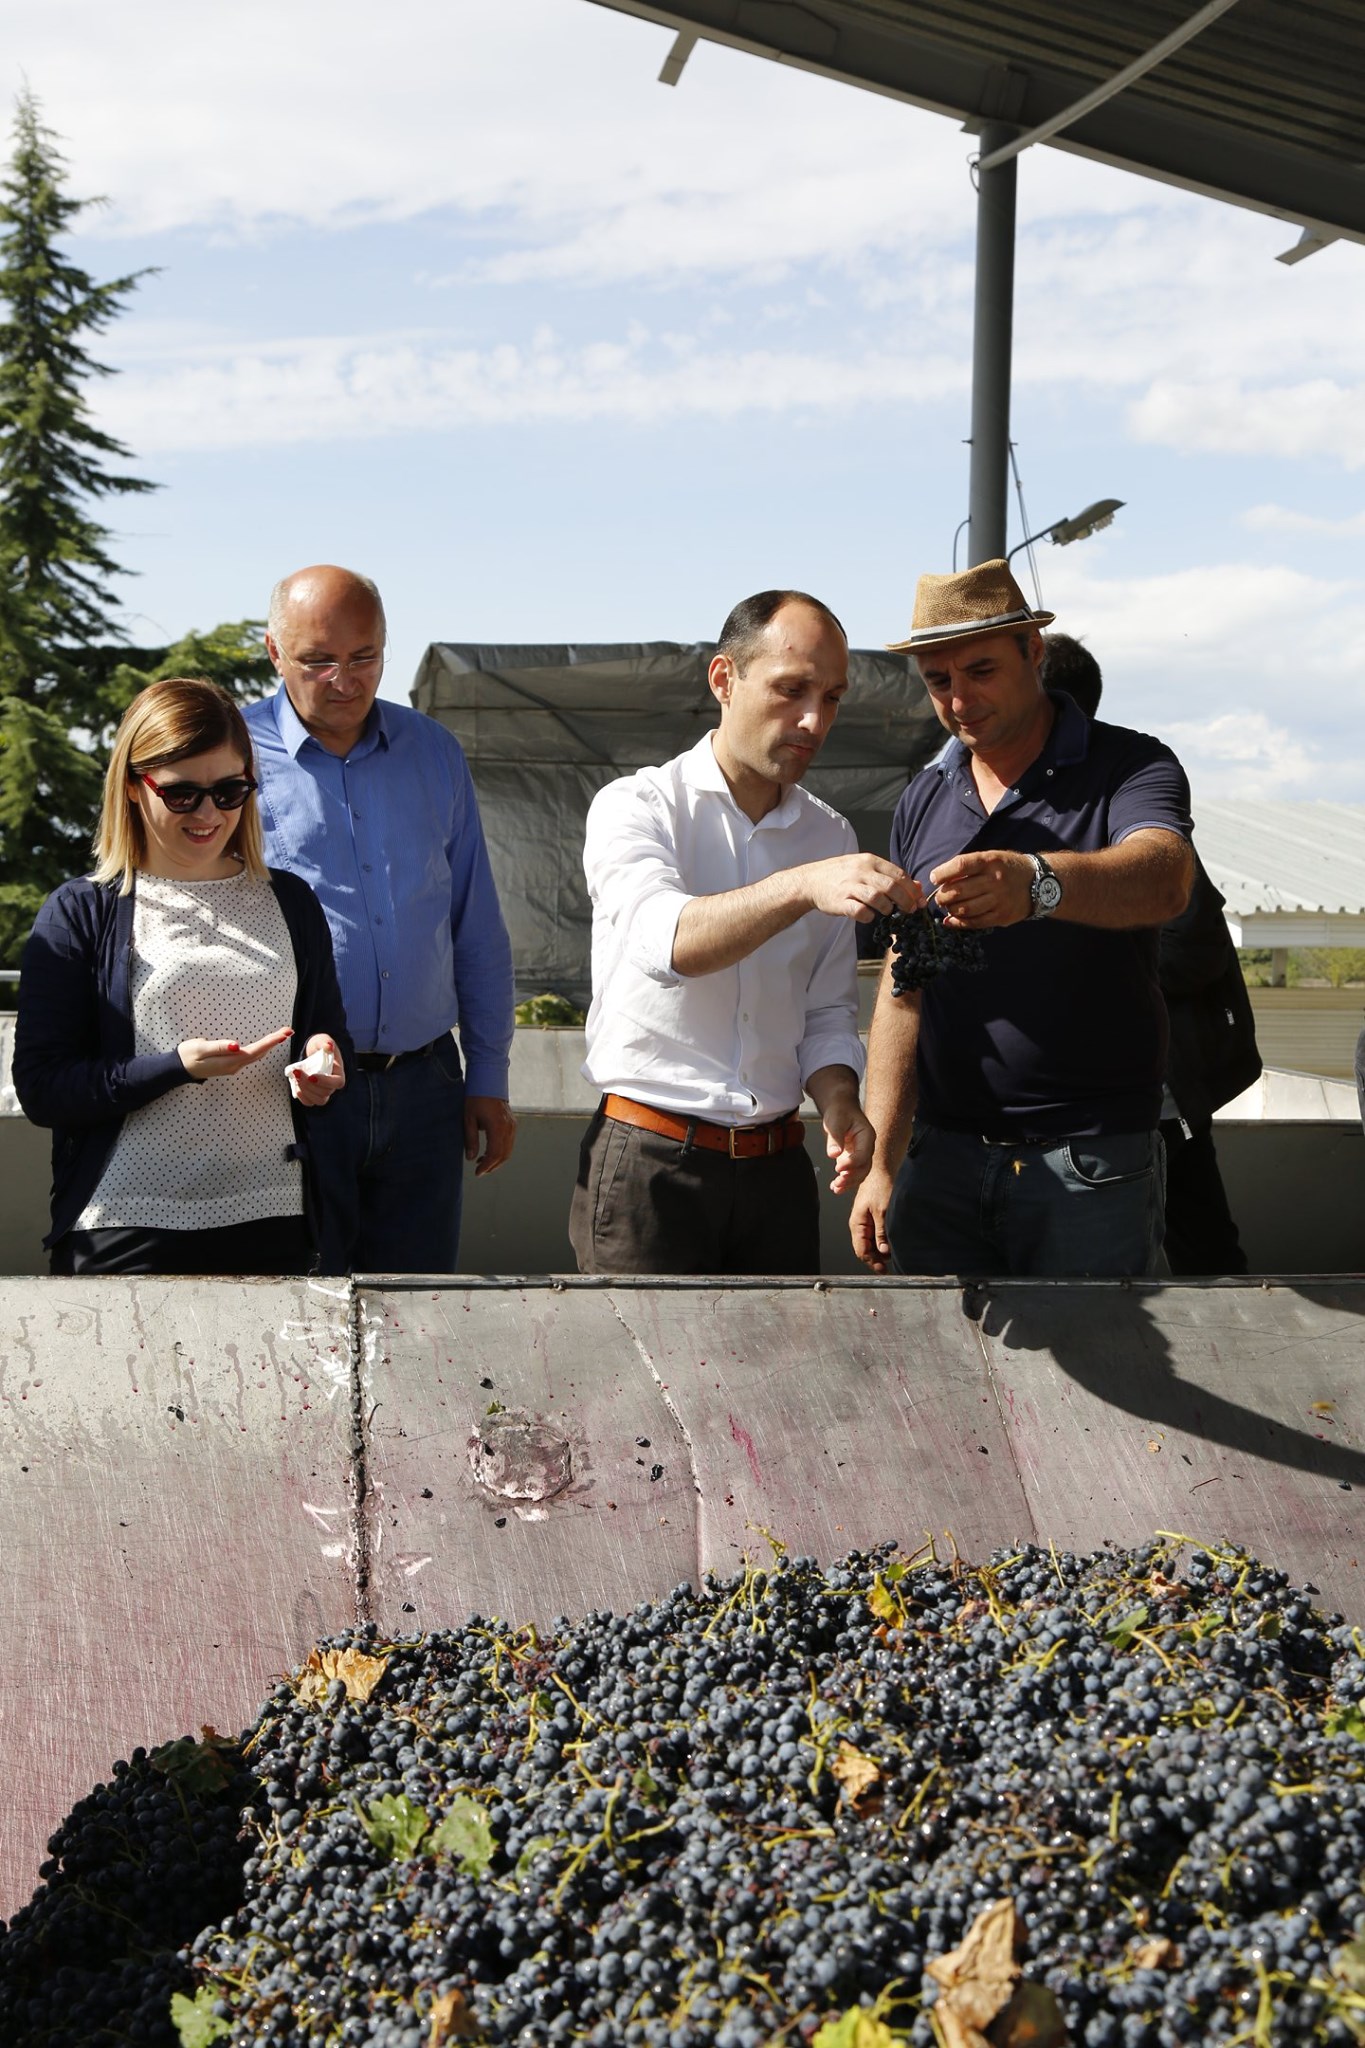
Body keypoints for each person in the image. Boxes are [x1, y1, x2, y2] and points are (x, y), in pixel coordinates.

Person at [851, 561, 1194, 1280]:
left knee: (1099, 1346)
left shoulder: (1129, 765)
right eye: (938, 681)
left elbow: (1165, 879)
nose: (959, 699)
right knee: (937, 1352)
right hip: (940, 1160)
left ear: (1033, 652)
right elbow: (904, 982)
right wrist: (882, 1160)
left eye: (980, 671)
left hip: (1089, 1157)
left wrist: (1038, 883)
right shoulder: (924, 796)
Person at [570, 588, 920, 1275]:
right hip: (649, 1168)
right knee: (639, 1353)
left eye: (832, 697)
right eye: (791, 690)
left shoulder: (828, 834)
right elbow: (669, 943)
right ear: (724, 679)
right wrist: (801, 884)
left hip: (776, 1170)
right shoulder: (636, 807)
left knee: (785, 1353)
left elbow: (824, 1012)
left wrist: (839, 1101)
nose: (814, 720)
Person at [14, 678, 350, 1275]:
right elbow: (43, 1088)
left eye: (229, 791)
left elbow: (324, 1030)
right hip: (125, 1225)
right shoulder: (80, 911)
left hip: (275, 1216)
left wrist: (322, 1061)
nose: (209, 814)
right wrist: (174, 1067)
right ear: (132, 786)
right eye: (181, 794)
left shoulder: (291, 901)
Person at [245, 565, 515, 1273]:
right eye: (317, 660)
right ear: (273, 652)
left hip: (426, 1088)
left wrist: (487, 1075)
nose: (344, 680)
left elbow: (475, 924)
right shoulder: (232, 757)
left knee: (421, 1314)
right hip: (284, 1088)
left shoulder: (434, 751)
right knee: (297, 1308)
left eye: (364, 657)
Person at [1040, 632, 1260, 1274]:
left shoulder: (1132, 812)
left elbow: (1196, 947)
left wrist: (1079, 956)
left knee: (1204, 1260)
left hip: (1157, 1100)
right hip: (1074, 1106)